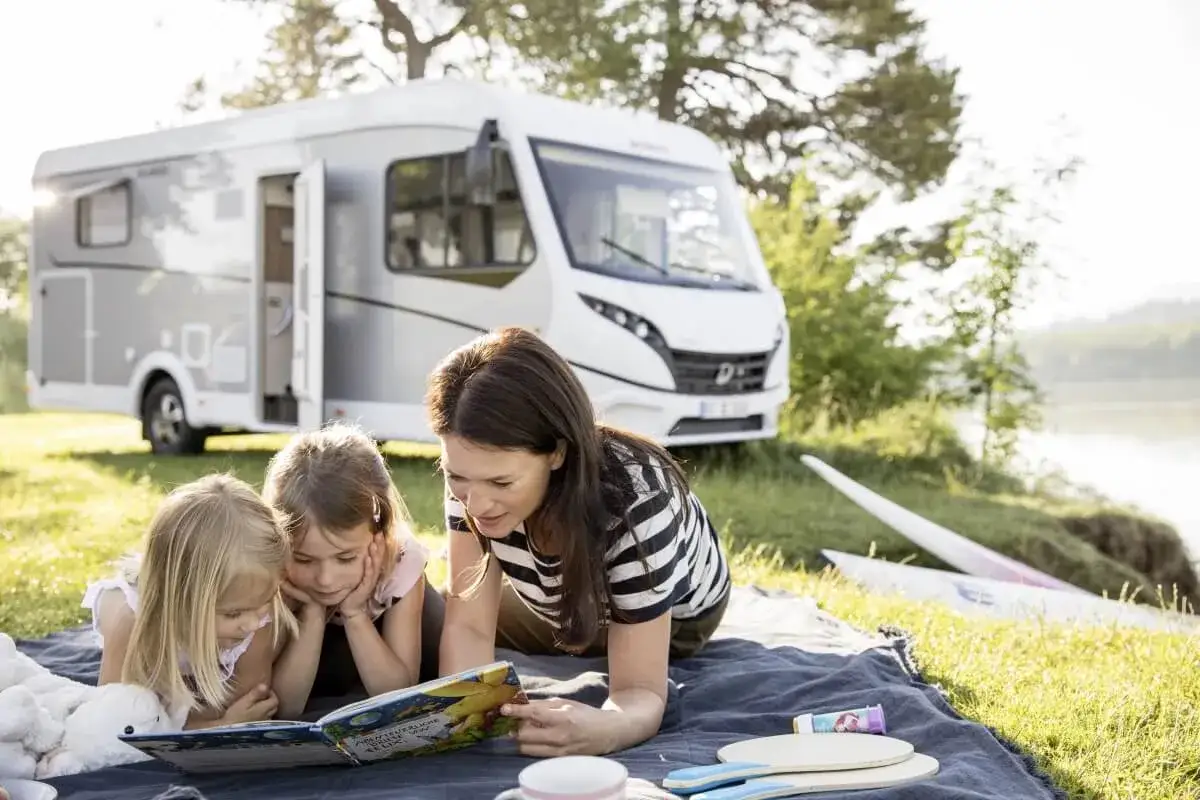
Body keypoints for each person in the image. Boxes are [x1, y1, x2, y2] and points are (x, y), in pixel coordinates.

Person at [426, 326, 732, 757]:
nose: (474, 504)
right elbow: (469, 624)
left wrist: (606, 728)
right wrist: (465, 722)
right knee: (426, 616)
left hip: (675, 620)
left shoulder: (638, 501)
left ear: (557, 452)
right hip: (562, 602)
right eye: (456, 476)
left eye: (501, 483)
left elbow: (640, 692)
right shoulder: (476, 475)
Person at [84, 473, 294, 730]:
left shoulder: (255, 611)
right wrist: (221, 726)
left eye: (265, 600)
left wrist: (219, 719)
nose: (252, 624)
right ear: (182, 602)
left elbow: (247, 701)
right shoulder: (131, 623)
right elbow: (115, 724)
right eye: (233, 614)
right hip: (152, 619)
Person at [263, 422, 442, 719]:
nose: (325, 579)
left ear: (380, 533)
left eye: (345, 558)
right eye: (304, 560)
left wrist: (355, 614)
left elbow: (398, 697)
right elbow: (283, 709)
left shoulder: (401, 562)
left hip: (414, 644)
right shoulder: (269, 572)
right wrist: (312, 615)